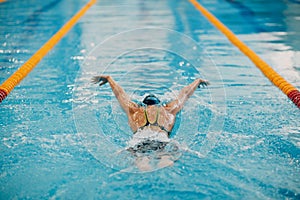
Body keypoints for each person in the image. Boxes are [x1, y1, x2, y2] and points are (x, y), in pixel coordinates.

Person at [92, 75, 209, 171]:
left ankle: (144, 168)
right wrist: (197, 81)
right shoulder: (168, 110)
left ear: (144, 104)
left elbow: (120, 94)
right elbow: (185, 94)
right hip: (162, 139)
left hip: (140, 140)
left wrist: (108, 79)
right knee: (165, 159)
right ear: (159, 104)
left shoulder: (135, 110)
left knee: (142, 162)